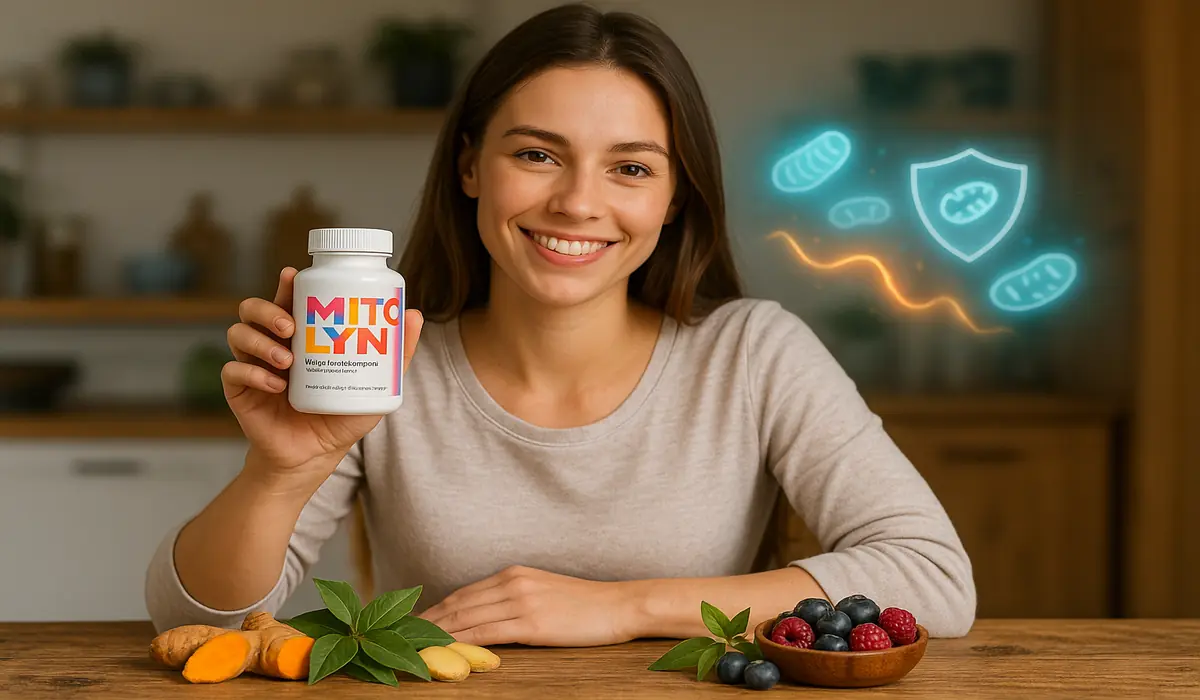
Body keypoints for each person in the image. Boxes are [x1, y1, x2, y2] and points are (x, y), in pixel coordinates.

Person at [145, 2, 975, 645]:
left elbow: (932, 578)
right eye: (537, 154)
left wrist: (620, 608)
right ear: (470, 165)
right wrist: (279, 472)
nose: (578, 202)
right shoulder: (380, 359)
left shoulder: (754, 353)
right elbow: (202, 628)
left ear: (673, 196)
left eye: (630, 168)